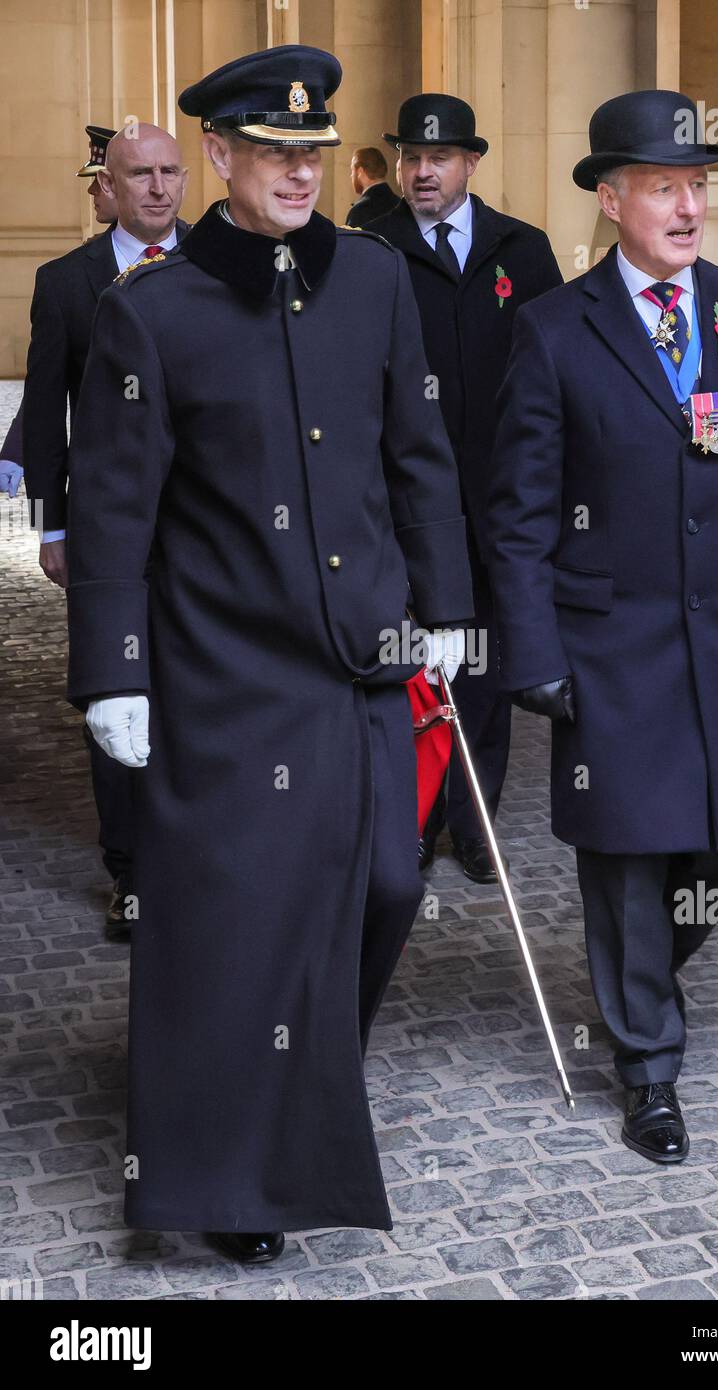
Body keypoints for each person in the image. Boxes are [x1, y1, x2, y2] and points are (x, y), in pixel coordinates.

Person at [65, 44, 473, 1263]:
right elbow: (115, 516)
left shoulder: (376, 283)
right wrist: (114, 669)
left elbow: (419, 457)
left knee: (389, 888)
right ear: (219, 157)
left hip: (355, 664)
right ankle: (240, 1179)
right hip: (225, 678)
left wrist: (443, 606)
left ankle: (288, 1087)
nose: (298, 172)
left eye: (311, 151)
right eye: (273, 152)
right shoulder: (149, 313)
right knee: (242, 922)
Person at [484, 90, 718, 1164]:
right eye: (662, 187)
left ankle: (632, 975)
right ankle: (647, 1067)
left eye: (696, 185)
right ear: (610, 198)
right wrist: (531, 651)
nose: (686, 207)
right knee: (629, 856)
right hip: (609, 644)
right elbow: (519, 513)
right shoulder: (551, 330)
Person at [372, 94, 562, 882]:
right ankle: (413, 822)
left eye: (438, 158)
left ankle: (473, 821)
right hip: (399, 506)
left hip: (495, 506)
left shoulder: (524, 251)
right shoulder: (368, 250)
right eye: (411, 158)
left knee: (480, 672)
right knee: (409, 668)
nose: (422, 171)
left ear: (470, 163)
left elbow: (561, 377)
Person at [22, 124, 190, 933]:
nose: (156, 188)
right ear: (109, 188)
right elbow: (45, 419)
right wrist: (50, 527)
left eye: (168, 173)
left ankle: (198, 850)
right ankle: (130, 871)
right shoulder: (65, 283)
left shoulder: (226, 265)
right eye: (139, 175)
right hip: (105, 531)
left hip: (206, 530)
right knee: (115, 693)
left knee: (199, 690)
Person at [0, 126, 118, 501]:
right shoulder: (68, 275)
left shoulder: (198, 258)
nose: (92, 192)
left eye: (98, 181)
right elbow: (45, 390)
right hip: (104, 493)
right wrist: (44, 525)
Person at [345, 145, 399, 227]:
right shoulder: (399, 205)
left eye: (352, 171)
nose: (351, 175)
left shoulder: (360, 211)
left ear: (360, 171)